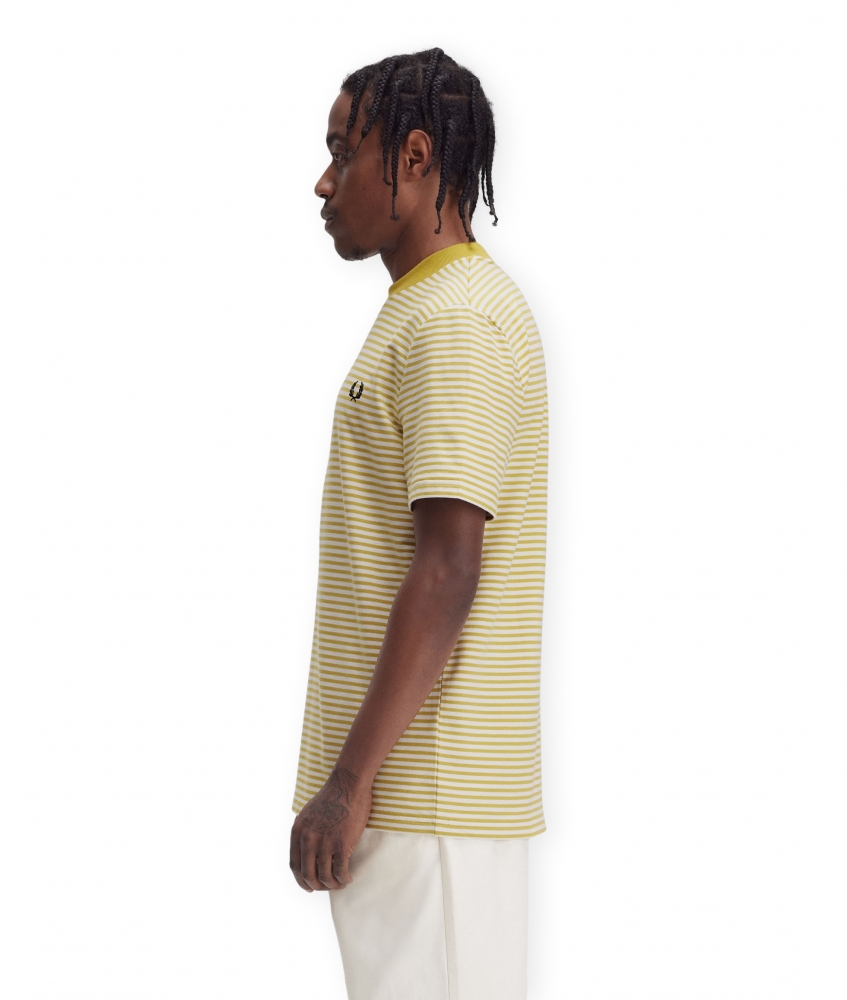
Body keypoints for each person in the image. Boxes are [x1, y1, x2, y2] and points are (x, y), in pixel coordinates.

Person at [289, 48, 549, 1000]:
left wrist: (350, 781)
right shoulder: (428, 308)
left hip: (427, 793)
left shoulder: (456, 322)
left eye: (341, 152)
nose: (323, 183)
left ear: (413, 155)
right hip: (416, 795)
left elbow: (447, 571)